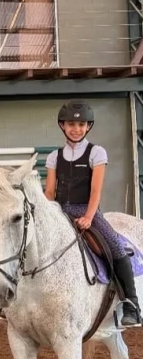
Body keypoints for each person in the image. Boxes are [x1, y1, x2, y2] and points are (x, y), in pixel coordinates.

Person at [46, 100, 141, 327]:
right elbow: (49, 192)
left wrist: (89, 217)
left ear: (88, 126)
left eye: (81, 125)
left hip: (87, 210)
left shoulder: (96, 153)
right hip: (60, 211)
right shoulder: (54, 157)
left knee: (115, 247)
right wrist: (44, 211)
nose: (76, 129)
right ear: (62, 125)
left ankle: (131, 303)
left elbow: (96, 191)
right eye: (71, 124)